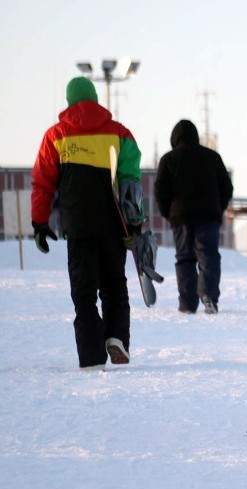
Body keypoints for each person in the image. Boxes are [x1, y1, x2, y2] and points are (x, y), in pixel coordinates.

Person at [30, 76, 142, 371]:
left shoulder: (56, 136)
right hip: (112, 225)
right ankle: (117, 337)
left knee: (84, 290)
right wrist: (136, 223)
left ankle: (91, 355)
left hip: (78, 227)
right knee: (114, 285)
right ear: (95, 98)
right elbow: (131, 183)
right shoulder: (120, 133)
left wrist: (40, 223)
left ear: (69, 101)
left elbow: (42, 184)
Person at [155, 119, 233, 314]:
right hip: (208, 216)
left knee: (185, 259)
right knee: (208, 256)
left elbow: (160, 192)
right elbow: (227, 187)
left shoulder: (168, 160)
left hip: (180, 218)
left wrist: (169, 214)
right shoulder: (213, 157)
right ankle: (208, 296)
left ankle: (187, 304)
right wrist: (218, 209)